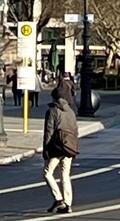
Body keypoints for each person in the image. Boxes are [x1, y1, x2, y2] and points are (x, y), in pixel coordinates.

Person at [42, 80, 80, 214]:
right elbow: (75, 130)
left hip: (57, 147)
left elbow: (49, 132)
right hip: (69, 146)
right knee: (65, 175)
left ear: (54, 97)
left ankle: (58, 199)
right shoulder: (71, 111)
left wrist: (46, 149)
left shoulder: (52, 111)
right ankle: (68, 204)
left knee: (47, 173)